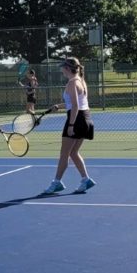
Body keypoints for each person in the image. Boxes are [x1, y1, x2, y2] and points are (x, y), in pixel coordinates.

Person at [41, 57, 95, 195]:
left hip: (76, 120)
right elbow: (77, 103)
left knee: (64, 154)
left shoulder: (71, 83)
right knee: (73, 152)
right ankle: (86, 179)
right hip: (86, 119)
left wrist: (71, 125)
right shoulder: (81, 81)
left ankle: (56, 183)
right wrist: (59, 106)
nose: (61, 70)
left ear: (67, 68)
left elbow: (75, 106)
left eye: (62, 67)